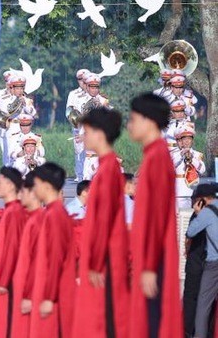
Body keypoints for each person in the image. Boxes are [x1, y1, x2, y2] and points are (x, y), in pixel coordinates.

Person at [127, 93, 183, 337]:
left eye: (133, 118)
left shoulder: (158, 158)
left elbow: (157, 217)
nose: (129, 125)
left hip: (155, 259)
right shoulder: (152, 155)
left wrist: (149, 266)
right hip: (150, 257)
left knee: (153, 325)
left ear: (148, 121)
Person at [72, 107, 129, 337]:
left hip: (104, 260)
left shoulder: (108, 171)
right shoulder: (107, 167)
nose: (83, 137)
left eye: (86, 131)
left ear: (99, 133)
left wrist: (95, 263)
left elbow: (103, 220)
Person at [29, 162, 75, 338]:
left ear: (47, 186)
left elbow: (55, 257)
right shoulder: (53, 213)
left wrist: (48, 297)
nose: (34, 188)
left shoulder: (54, 215)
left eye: (37, 184)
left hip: (54, 292)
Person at [0, 167, 26, 338]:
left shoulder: (14, 212)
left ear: (11, 186)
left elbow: (13, 248)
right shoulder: (12, 210)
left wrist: (3, 281)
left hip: (12, 280)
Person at [10, 173, 43, 338]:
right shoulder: (28, 218)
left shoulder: (40, 221)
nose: (19, 195)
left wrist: (29, 294)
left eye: (23, 191)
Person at [184, 184, 218, 338]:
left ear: (202, 199)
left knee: (203, 305)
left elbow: (190, 232)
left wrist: (198, 213)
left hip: (213, 264)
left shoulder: (206, 213)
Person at [171, 123, 206, 209]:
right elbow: (171, 165)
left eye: (189, 139)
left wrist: (192, 159)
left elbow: (202, 170)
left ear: (192, 141)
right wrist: (182, 155)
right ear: (180, 141)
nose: (187, 141)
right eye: (184, 139)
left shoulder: (197, 155)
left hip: (193, 190)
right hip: (178, 192)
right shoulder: (174, 154)